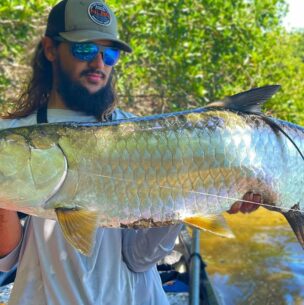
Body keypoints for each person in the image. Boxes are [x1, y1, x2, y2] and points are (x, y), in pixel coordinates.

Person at [0, 1, 261, 304]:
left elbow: (139, 258)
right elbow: (7, 262)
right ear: (50, 49)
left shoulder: (138, 134)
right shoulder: (12, 135)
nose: (99, 63)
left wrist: (194, 195)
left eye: (109, 53)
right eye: (84, 49)